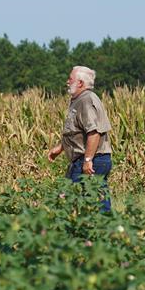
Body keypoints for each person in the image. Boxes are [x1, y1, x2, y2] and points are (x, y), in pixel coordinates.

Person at [47, 66, 113, 211]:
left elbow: (94, 132)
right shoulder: (78, 100)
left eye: (70, 79)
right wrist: (60, 147)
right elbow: (77, 131)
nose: (67, 82)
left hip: (93, 160)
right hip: (84, 160)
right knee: (73, 201)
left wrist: (88, 160)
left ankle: (108, 231)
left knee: (92, 205)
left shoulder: (87, 100)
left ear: (81, 83)